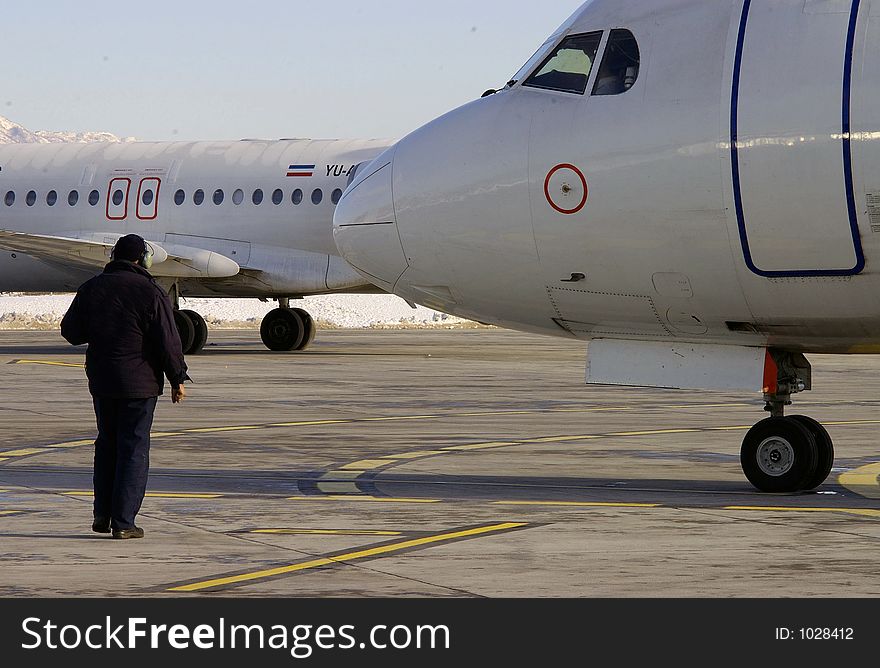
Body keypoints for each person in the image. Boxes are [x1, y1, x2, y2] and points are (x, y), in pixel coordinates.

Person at [61, 234, 190, 539]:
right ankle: (123, 522)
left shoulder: (92, 288)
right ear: (141, 259)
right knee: (133, 448)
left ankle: (102, 514)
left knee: (107, 444)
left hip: (102, 380)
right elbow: (168, 341)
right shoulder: (150, 291)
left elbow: (71, 332)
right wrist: (177, 378)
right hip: (139, 383)